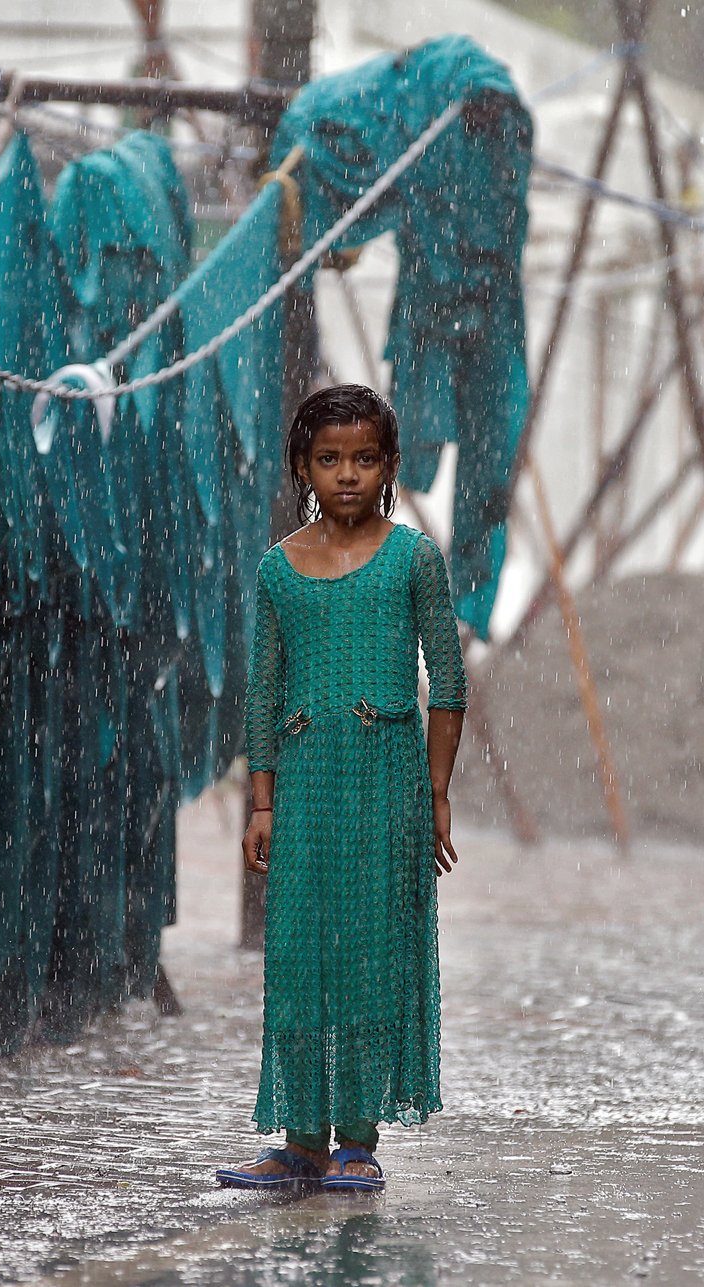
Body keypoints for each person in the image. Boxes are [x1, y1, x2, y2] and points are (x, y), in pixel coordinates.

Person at [216, 384, 466, 1193]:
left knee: (368, 953)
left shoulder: (414, 559)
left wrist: (435, 794)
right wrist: (261, 801)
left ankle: (359, 1139)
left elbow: (450, 681)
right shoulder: (277, 569)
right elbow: (262, 690)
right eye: (330, 460)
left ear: (389, 466)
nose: (347, 475)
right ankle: (300, 1141)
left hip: (387, 784)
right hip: (305, 786)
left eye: (363, 459)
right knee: (297, 954)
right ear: (302, 467)